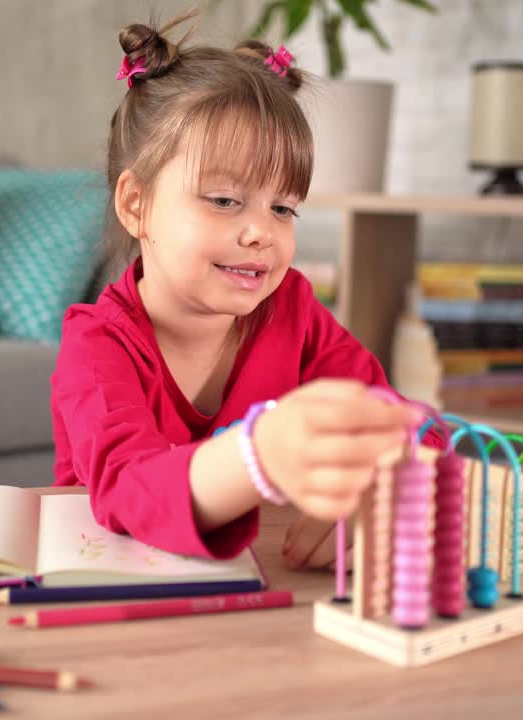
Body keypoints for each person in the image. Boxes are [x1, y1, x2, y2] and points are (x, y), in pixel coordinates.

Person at [51, 10, 441, 572]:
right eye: (224, 200)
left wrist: (387, 486)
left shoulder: (293, 311)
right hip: (113, 599)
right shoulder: (96, 346)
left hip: (273, 601)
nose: (262, 231)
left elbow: (399, 422)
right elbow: (128, 489)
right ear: (137, 205)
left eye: (282, 207)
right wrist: (259, 453)